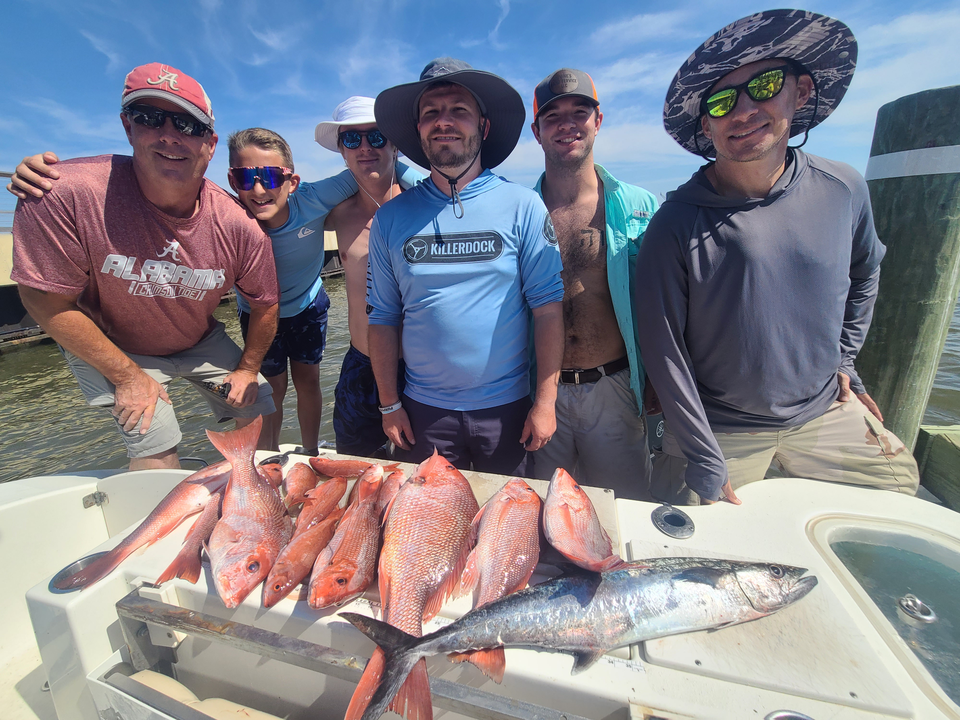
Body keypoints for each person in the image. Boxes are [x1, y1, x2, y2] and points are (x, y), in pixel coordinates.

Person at [635, 9, 920, 505]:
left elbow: (866, 271)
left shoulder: (844, 187)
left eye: (764, 86)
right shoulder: (673, 223)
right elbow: (664, 349)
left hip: (824, 410)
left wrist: (846, 360)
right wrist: (702, 453)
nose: (744, 110)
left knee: (899, 491)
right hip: (719, 426)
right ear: (707, 124)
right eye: (722, 101)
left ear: (801, 91)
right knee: (694, 533)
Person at [10, 62, 279, 470]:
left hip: (196, 337)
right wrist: (128, 376)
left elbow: (266, 305)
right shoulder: (58, 192)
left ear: (209, 144)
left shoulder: (240, 226)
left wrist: (247, 368)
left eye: (187, 125)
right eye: (150, 118)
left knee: (257, 403)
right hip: (112, 341)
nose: (169, 135)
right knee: (155, 435)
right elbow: (44, 301)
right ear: (127, 126)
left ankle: (247, 483)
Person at [366, 57, 564, 476]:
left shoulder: (524, 206)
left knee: (506, 515)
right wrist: (389, 404)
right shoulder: (389, 219)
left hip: (508, 410)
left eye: (459, 110)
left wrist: (545, 403)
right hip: (422, 412)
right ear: (418, 130)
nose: (444, 122)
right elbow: (382, 318)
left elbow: (547, 310)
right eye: (431, 113)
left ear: (483, 127)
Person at [529, 68, 658, 500]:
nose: (567, 124)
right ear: (537, 132)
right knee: (543, 512)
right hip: (539, 392)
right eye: (552, 116)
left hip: (615, 387)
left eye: (579, 112)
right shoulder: (519, 212)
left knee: (623, 509)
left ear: (598, 121)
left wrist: (659, 381)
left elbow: (670, 302)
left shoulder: (640, 205)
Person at [314, 98, 424, 458]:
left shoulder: (427, 206)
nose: (364, 148)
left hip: (421, 368)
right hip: (360, 363)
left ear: (395, 145)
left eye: (376, 137)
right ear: (341, 151)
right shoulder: (335, 215)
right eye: (352, 139)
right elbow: (277, 214)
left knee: (423, 474)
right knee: (354, 466)